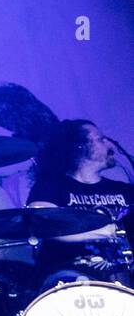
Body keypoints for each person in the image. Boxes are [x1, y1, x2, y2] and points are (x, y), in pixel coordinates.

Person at [27, 119, 134, 289]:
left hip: (124, 275)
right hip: (71, 277)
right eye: (101, 139)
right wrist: (107, 232)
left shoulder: (124, 191)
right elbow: (43, 223)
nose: (109, 144)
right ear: (80, 146)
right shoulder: (51, 187)